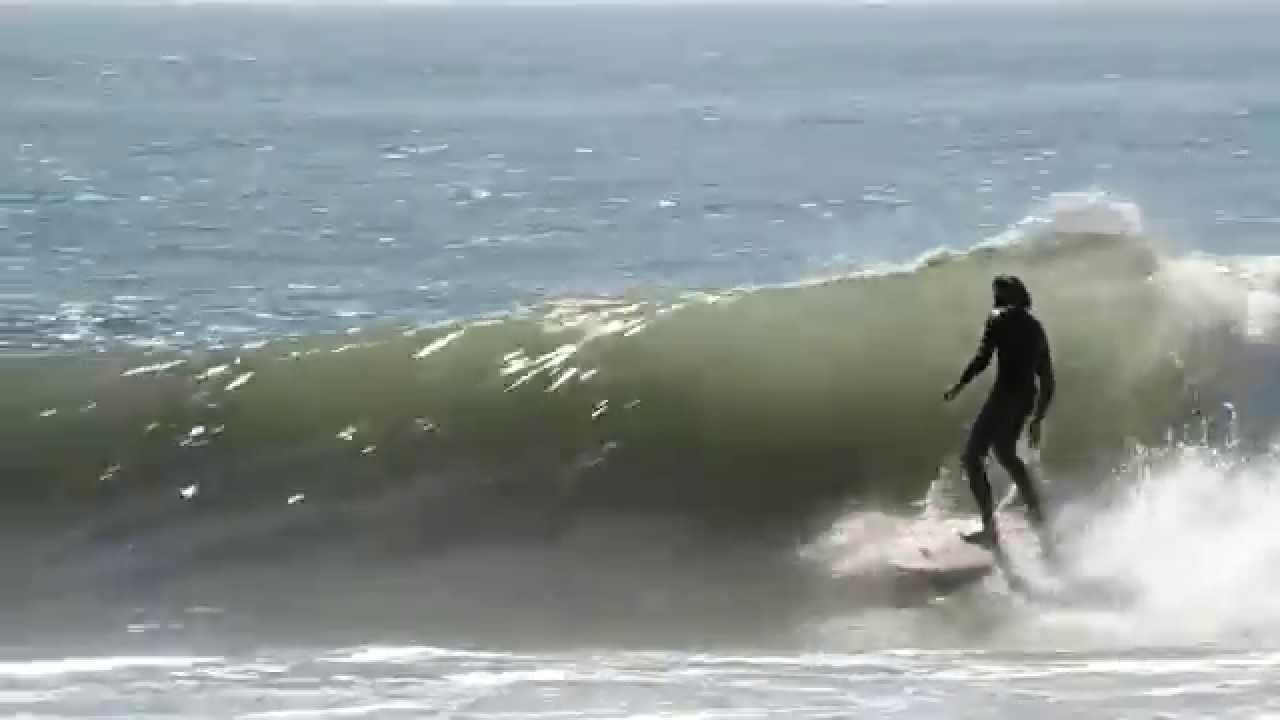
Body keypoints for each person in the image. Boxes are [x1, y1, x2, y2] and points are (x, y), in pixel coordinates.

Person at [943, 275, 1055, 549]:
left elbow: (983, 358)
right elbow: (1048, 378)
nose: (994, 299)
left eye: (996, 293)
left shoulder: (998, 317)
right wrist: (1038, 417)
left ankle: (990, 529)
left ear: (1004, 296)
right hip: (1025, 398)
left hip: (1005, 394)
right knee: (1006, 453)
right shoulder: (1036, 328)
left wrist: (959, 385)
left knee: (972, 457)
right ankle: (1037, 514)